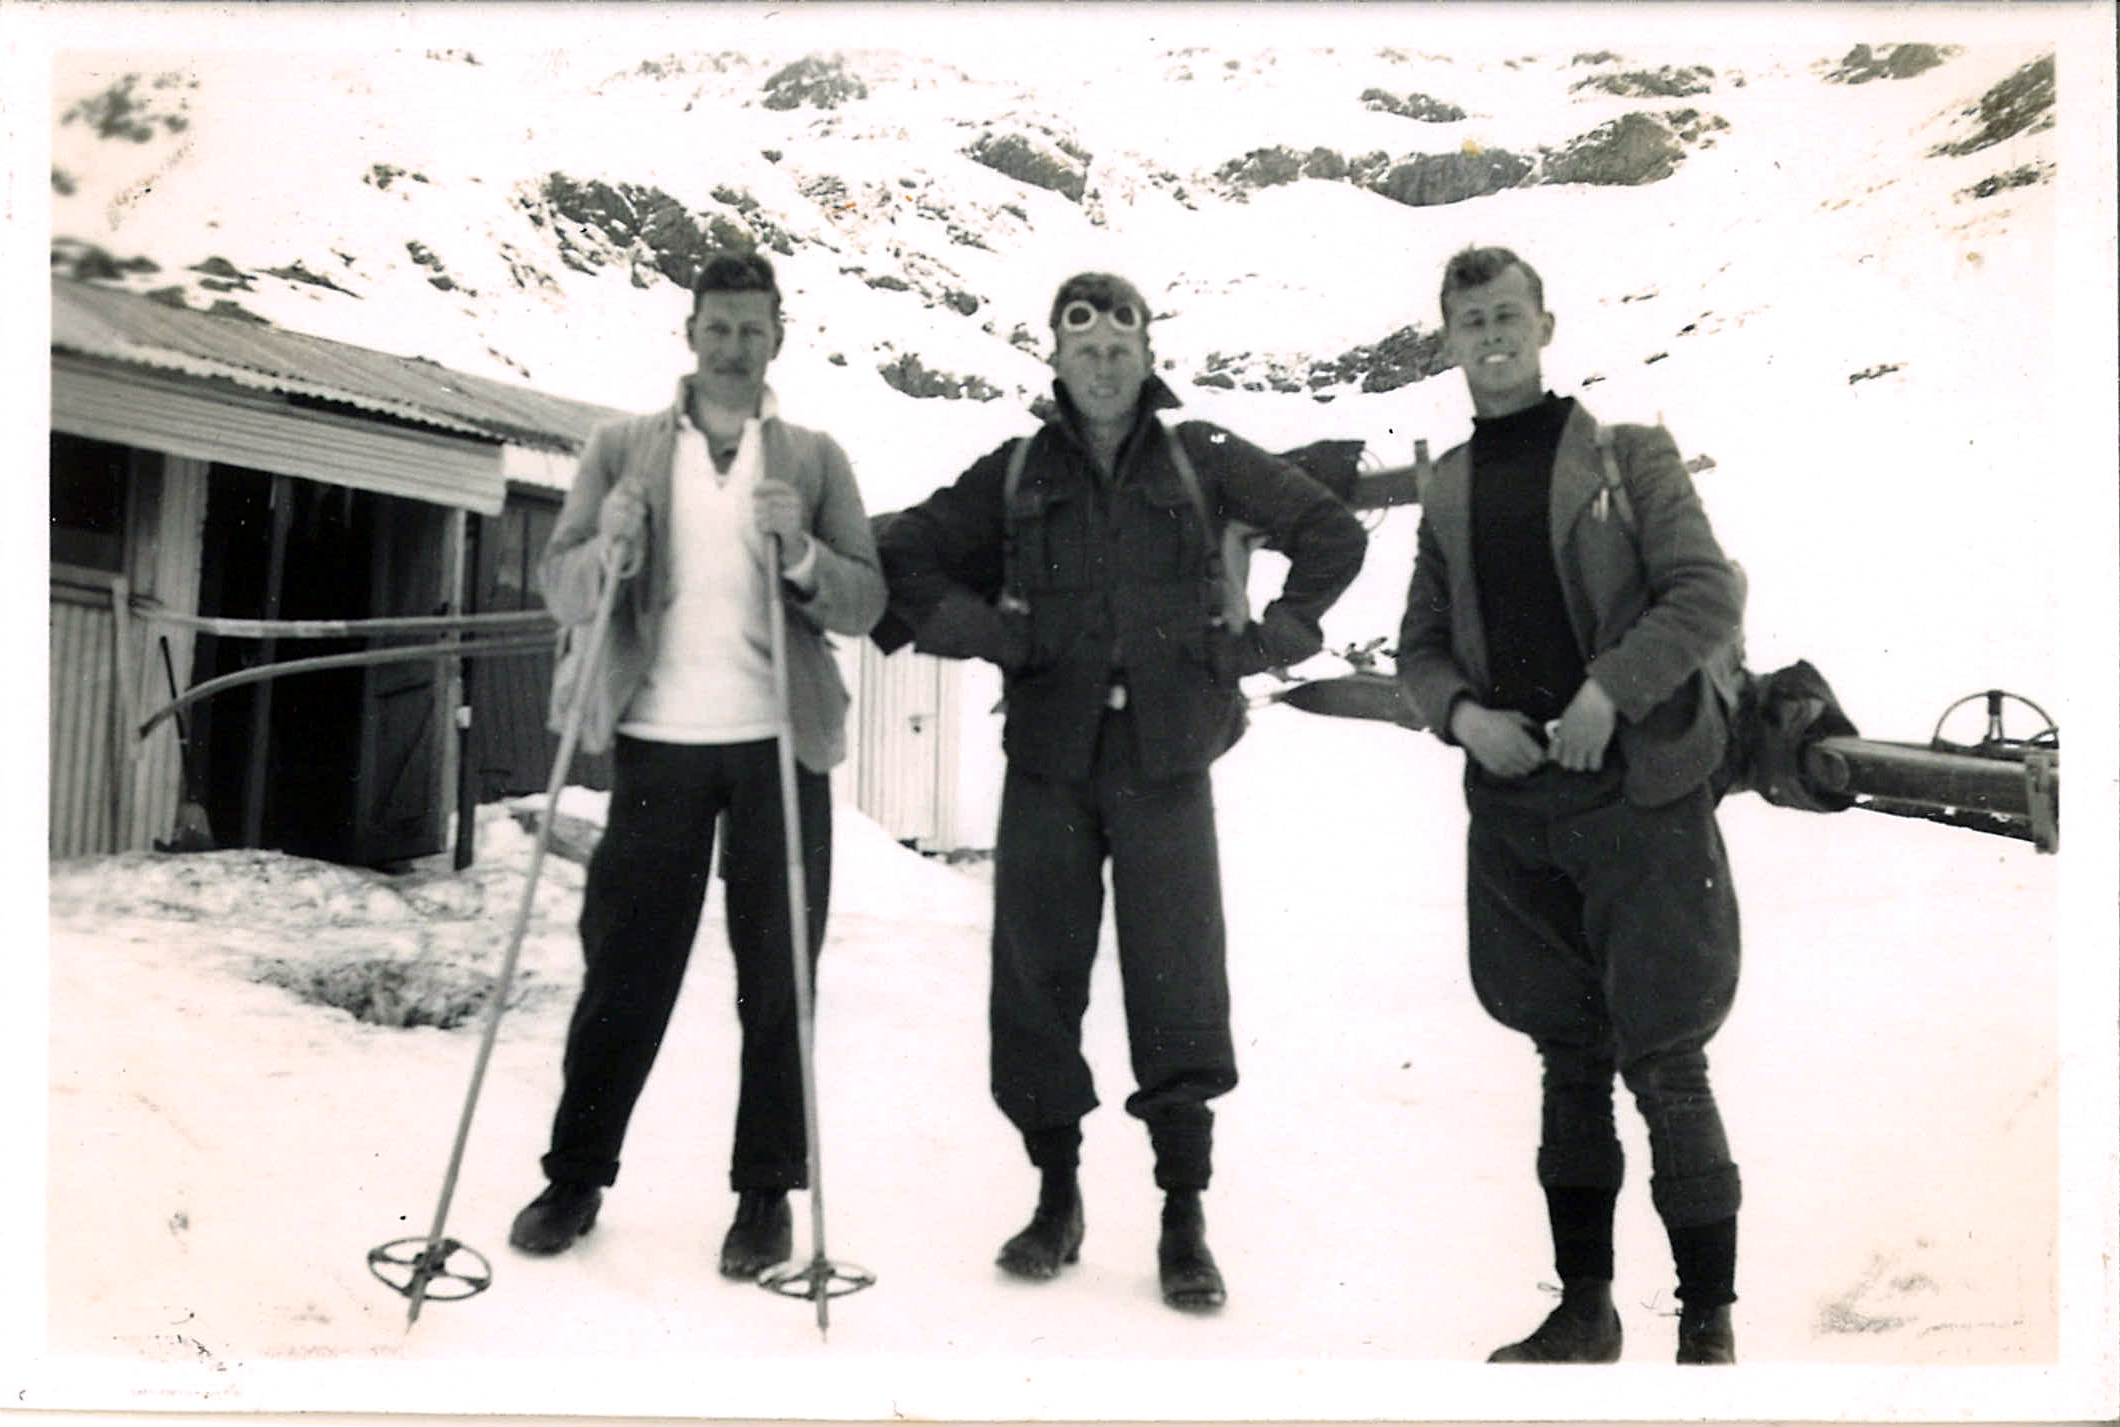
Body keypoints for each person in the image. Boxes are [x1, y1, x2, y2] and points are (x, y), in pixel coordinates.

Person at [876, 271, 1366, 1311]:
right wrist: (992, 634)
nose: (1101, 359)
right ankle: (1055, 1196)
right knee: (1034, 976)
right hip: (1049, 758)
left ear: (1147, 355)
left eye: (1119, 342)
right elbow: (903, 553)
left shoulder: (1205, 459)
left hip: (1167, 757)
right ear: (1053, 358)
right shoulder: (1012, 471)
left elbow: (1331, 530)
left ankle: (1181, 1215)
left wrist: (1272, 638)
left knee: (1178, 978)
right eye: (1080, 341)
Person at [1396, 245, 1747, 1365]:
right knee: (1566, 1058)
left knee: (1665, 1058)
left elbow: (1704, 591)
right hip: (1517, 812)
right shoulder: (1444, 484)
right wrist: (1459, 716)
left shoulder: (1627, 454)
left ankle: (1705, 1327)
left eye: (1506, 314)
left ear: (1543, 324)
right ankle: (1583, 1309)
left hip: (1637, 802)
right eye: (1468, 320)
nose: (1489, 334)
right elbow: (1418, 645)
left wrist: (1610, 690)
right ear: (1446, 341)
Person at [508, 250, 887, 1278]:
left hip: (774, 746)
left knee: (776, 980)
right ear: (690, 334)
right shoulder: (623, 449)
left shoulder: (810, 456)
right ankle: (575, 1173)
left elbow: (863, 601)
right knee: (626, 971)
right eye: (716, 328)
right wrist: (609, 545)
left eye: (751, 330)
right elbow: (563, 587)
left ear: (777, 337)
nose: (732, 348)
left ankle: (763, 1193)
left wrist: (802, 552)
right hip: (658, 743)